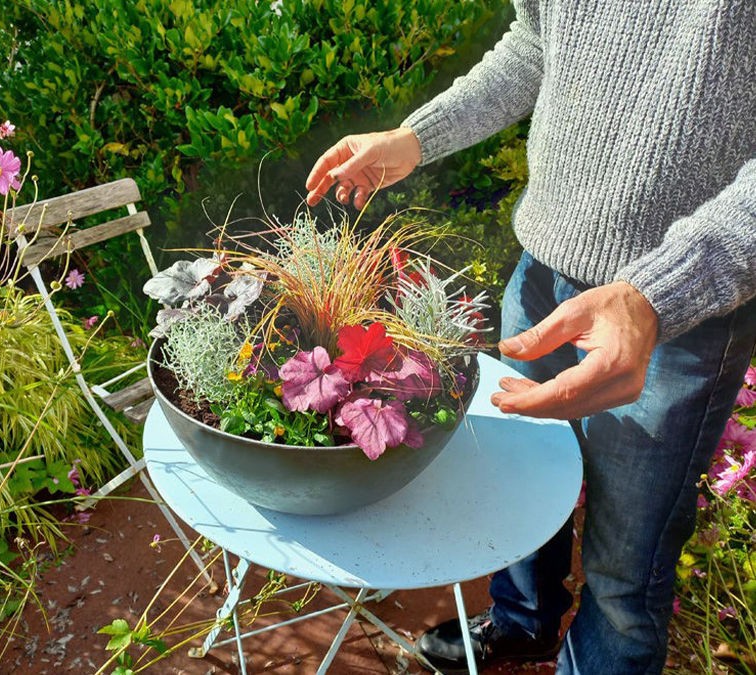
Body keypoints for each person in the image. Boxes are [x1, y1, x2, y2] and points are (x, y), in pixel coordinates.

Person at [304, 2, 756, 674]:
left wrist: (658, 293)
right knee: (517, 484)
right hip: (543, 274)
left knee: (626, 571)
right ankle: (523, 622)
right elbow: (536, 45)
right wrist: (414, 138)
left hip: (677, 320)